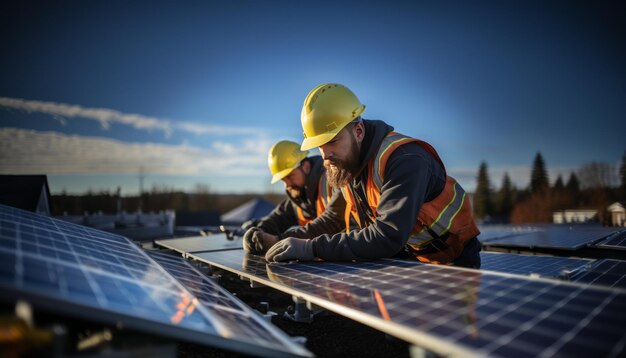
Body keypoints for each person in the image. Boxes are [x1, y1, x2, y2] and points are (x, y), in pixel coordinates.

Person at [264, 83, 482, 268]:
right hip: (411, 260)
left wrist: (311, 248)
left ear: (358, 131)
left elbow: (387, 235)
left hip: (455, 260)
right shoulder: (347, 167)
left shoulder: (405, 159)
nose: (325, 154)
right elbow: (332, 219)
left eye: (331, 141)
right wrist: (279, 240)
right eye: (319, 146)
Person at [242, 140, 345, 253]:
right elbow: (278, 218)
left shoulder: (333, 180)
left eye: (290, 176)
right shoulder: (299, 196)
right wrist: (259, 232)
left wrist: (279, 241)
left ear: (305, 166)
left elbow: (331, 221)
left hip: (350, 256)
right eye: (283, 180)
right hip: (328, 259)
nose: (287, 184)